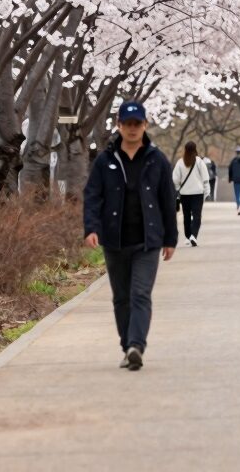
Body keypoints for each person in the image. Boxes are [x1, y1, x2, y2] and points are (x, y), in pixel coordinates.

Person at [83, 100, 178, 371]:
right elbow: (93, 196)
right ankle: (127, 347)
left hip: (148, 240)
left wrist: (170, 239)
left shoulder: (157, 159)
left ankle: (137, 345)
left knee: (140, 293)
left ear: (145, 125)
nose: (133, 129)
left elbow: (167, 200)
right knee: (121, 297)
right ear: (119, 126)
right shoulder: (105, 160)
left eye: (137, 124)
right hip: (115, 240)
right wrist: (91, 228)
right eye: (128, 124)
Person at [172, 141, 212, 246]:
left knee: (186, 216)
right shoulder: (199, 162)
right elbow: (205, 178)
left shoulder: (180, 162)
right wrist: (207, 191)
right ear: (195, 149)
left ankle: (188, 236)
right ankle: (193, 235)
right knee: (197, 215)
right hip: (198, 194)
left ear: (185, 149)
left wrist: (178, 189)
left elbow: (175, 179)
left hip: (184, 194)